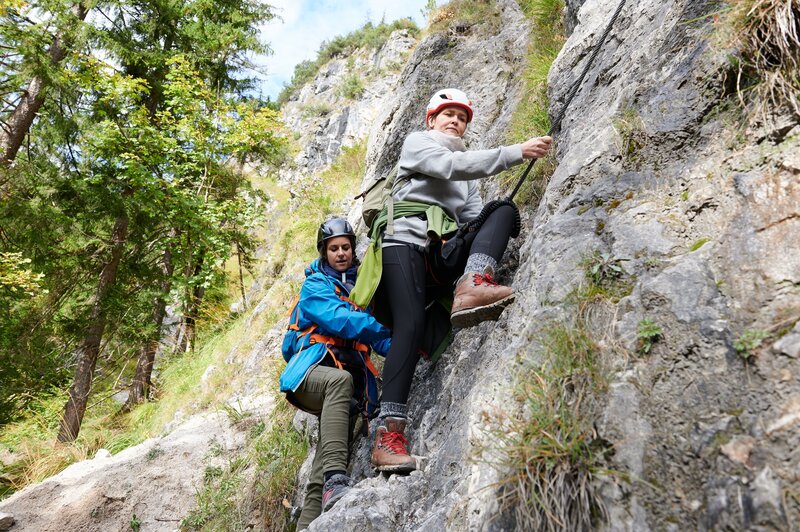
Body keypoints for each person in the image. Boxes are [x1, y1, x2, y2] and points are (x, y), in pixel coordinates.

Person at [369, 88, 553, 472]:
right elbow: (452, 167)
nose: (455, 120)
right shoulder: (417, 144)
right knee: (411, 324)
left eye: (462, 117)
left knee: (501, 210)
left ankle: (473, 282)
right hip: (404, 241)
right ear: (431, 120)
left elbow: (470, 214)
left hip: (442, 250)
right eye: (447, 114)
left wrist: (476, 234)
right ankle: (389, 438)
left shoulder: (466, 170)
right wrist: (516, 152)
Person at [279, 217, 392, 530]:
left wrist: (403, 345)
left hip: (342, 391)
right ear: (324, 252)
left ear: (353, 249)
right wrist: (383, 331)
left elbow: (376, 337)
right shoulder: (315, 285)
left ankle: (307, 524)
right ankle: (335, 483)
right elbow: (343, 321)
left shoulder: (362, 287)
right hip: (309, 374)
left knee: (330, 453)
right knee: (340, 382)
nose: (341, 253)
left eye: (345, 247)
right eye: (333, 248)